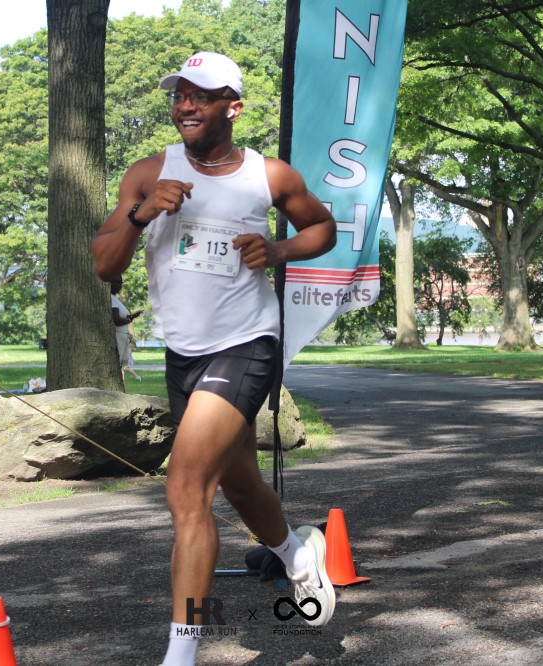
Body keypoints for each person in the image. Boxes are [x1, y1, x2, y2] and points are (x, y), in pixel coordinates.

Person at [92, 51, 338, 666]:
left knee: (185, 487)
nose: (185, 106)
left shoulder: (268, 175)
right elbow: (104, 264)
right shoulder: (150, 173)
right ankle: (297, 555)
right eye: (179, 95)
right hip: (184, 353)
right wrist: (140, 213)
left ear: (233, 106)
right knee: (238, 481)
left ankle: (181, 653)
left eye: (200, 96)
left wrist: (277, 249)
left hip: (248, 342)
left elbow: (323, 228)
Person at [110, 275, 143, 381]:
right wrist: (130, 319)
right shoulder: (110, 298)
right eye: (115, 282)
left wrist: (131, 317)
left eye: (120, 282)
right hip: (118, 336)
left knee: (120, 367)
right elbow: (117, 320)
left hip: (123, 336)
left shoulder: (115, 298)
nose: (119, 285)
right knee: (116, 366)